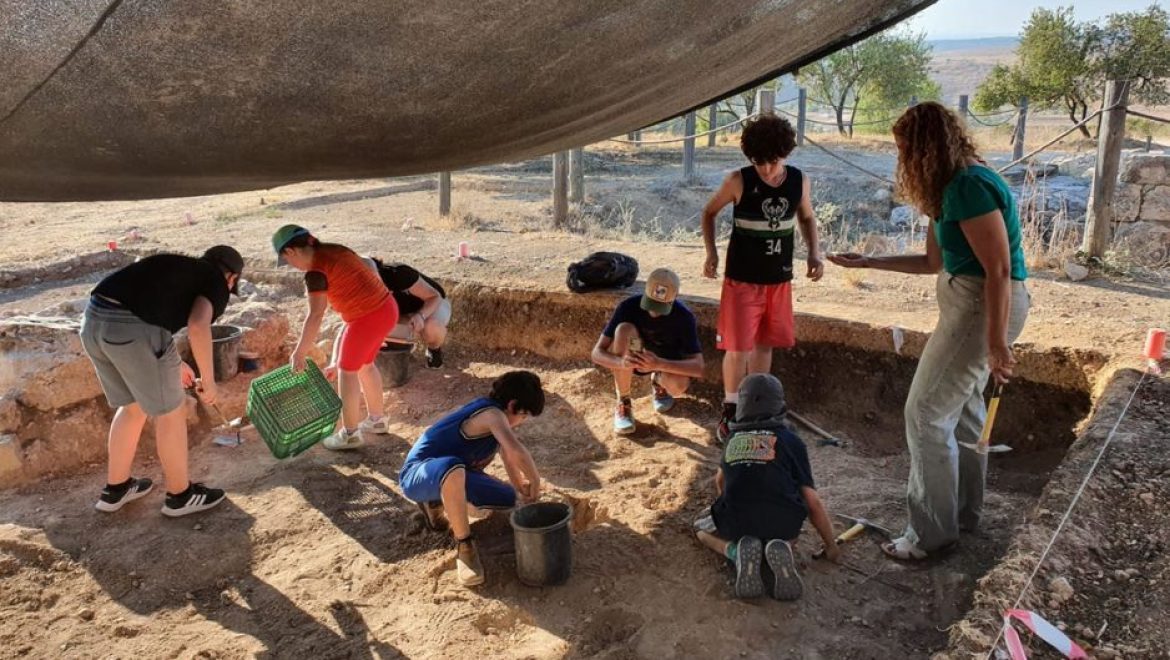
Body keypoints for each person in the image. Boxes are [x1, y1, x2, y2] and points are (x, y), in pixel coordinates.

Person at [828, 102, 1030, 561]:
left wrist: (997, 343)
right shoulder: (950, 188)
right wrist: (869, 261)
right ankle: (961, 514)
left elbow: (998, 269)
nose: (902, 160)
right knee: (961, 412)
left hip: (982, 305)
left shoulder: (968, 186)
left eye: (905, 150)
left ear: (926, 148)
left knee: (924, 414)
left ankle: (930, 536)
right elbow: (934, 263)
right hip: (975, 302)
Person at [81, 245, 243, 517]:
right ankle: (181, 496)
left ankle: (116, 489)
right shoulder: (215, 281)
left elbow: (151, 306)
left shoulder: (178, 265)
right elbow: (198, 325)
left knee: (132, 407)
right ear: (232, 278)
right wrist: (210, 382)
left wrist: (174, 361)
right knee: (170, 413)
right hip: (132, 330)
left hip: (93, 324)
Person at [700, 114, 824, 444]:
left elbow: (807, 217)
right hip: (742, 280)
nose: (767, 169)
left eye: (772, 161)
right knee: (737, 346)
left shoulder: (799, 180)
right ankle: (730, 408)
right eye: (759, 162)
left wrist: (815, 252)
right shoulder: (737, 180)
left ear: (785, 153)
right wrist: (711, 253)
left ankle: (757, 405)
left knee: (764, 343)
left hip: (778, 280)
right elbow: (709, 212)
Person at [694, 373, 838, 600]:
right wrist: (831, 545)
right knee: (786, 524)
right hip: (781, 523)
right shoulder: (792, 441)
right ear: (780, 405)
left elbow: (719, 481)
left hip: (737, 522)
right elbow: (812, 501)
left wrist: (727, 504)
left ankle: (733, 552)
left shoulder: (732, 438)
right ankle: (784, 547)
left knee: (701, 530)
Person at [399, 371, 544, 587]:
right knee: (453, 469)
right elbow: (516, 451)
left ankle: (435, 501)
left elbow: (507, 454)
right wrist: (535, 478)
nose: (522, 422)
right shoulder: (491, 414)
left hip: (450, 474)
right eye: (523, 415)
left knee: (507, 498)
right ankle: (464, 546)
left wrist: (519, 486)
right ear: (512, 405)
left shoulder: (499, 421)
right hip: (418, 474)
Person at [272, 225, 399, 451]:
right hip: (387, 308)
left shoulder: (315, 272)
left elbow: (316, 314)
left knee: (347, 371)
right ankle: (377, 420)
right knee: (366, 366)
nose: (292, 266)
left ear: (291, 252)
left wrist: (300, 351)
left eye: (288, 261)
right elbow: (369, 264)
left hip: (366, 317)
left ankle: (350, 434)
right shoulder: (335, 249)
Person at [589, 268, 704, 435]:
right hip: (636, 353)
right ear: (645, 291)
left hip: (664, 363)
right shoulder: (628, 307)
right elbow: (596, 353)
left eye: (661, 307)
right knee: (624, 329)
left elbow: (698, 367)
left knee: (678, 387)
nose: (654, 312)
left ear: (675, 297)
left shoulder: (684, 317)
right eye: (651, 304)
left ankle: (659, 381)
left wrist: (659, 364)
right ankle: (624, 400)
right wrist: (621, 363)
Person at [372, 258, 450, 369]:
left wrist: (420, 315)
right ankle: (405, 350)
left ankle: (434, 349)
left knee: (431, 327)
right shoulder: (360, 287)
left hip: (432, 304)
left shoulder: (398, 273)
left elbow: (434, 297)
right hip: (402, 311)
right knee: (388, 329)